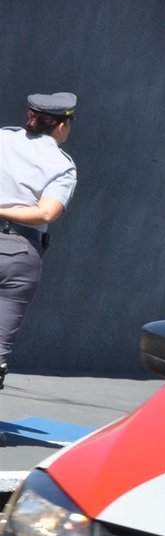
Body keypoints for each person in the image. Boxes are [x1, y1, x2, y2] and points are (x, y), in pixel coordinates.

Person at [0, 92, 79, 390]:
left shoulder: (2, 139)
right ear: (61, 126)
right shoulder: (62, 165)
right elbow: (47, 212)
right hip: (19, 253)